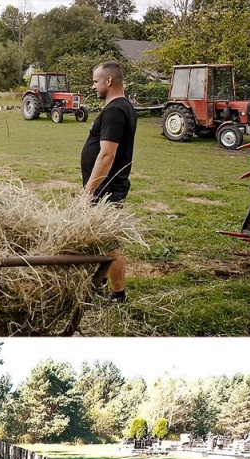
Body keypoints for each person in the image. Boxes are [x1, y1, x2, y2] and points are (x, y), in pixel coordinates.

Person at [81, 60, 137, 304]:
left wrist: (89, 190)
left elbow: (107, 154)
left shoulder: (115, 110)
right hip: (106, 186)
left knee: (109, 242)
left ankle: (118, 295)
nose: (94, 87)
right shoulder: (122, 107)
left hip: (106, 188)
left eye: (95, 81)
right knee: (99, 239)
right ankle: (100, 284)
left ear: (109, 81)